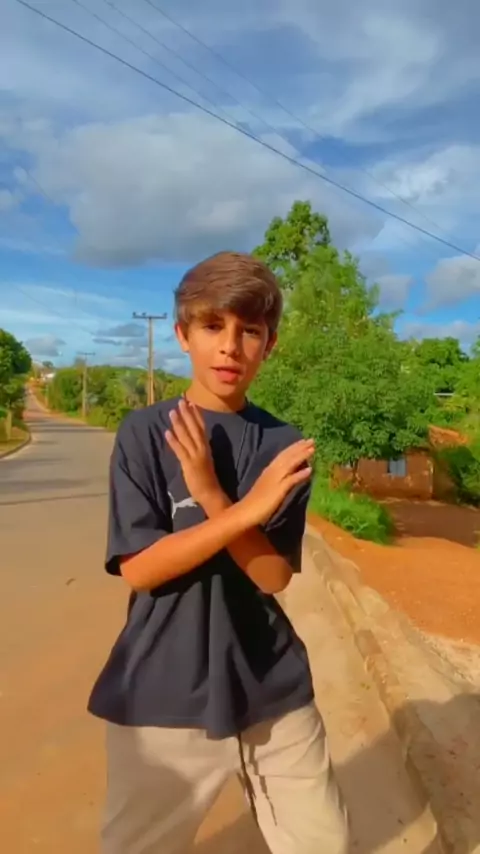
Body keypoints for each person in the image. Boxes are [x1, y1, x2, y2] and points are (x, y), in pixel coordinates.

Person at [88, 251, 348, 854]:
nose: (230, 346)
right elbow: (142, 568)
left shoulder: (283, 446)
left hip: (272, 685)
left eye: (249, 330)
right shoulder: (143, 433)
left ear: (269, 345)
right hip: (162, 688)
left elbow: (272, 576)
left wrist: (210, 494)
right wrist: (243, 510)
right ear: (183, 335)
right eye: (212, 326)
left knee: (325, 841)